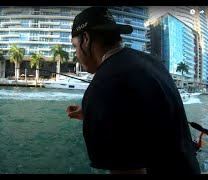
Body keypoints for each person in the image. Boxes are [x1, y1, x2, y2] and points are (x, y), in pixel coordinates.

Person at [67, 6, 201, 174]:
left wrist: (98, 105)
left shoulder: (103, 86)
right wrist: (93, 111)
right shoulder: (151, 63)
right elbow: (139, 111)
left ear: (85, 39)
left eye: (75, 46)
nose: (76, 53)